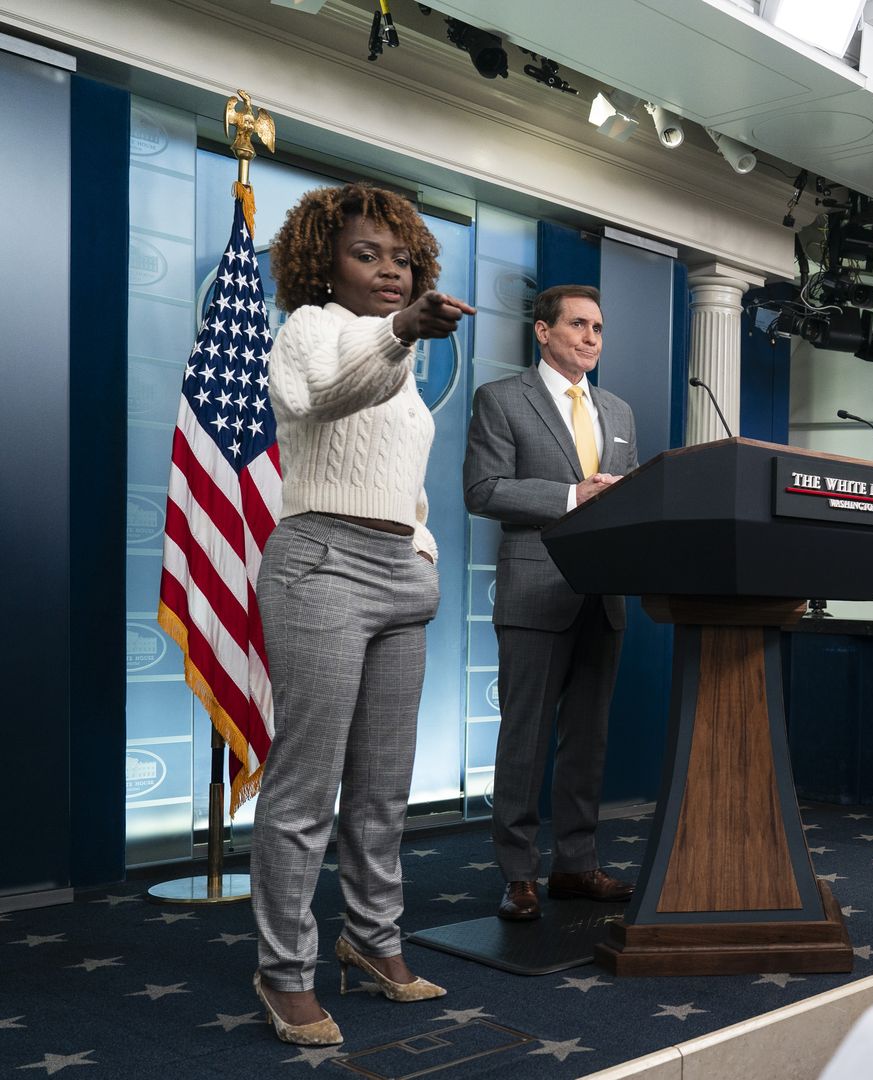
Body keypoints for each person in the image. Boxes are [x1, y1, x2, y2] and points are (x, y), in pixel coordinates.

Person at [251, 183, 474, 1046]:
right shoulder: (311, 328)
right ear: (324, 262)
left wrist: (421, 552)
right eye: (366, 253)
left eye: (401, 255)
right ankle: (284, 973)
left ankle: (373, 941)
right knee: (306, 789)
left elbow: (397, 472)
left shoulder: (398, 356)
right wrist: (400, 329)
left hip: (396, 577)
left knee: (383, 788)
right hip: (320, 565)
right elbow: (319, 401)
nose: (389, 268)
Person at [464, 284, 639, 921]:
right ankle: (517, 873)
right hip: (535, 591)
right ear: (543, 332)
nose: (591, 337)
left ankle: (575, 865)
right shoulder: (502, 399)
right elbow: (483, 490)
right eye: (578, 325)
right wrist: (572, 497)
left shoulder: (618, 411)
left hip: (603, 595)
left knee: (587, 742)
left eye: (598, 327)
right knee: (524, 741)